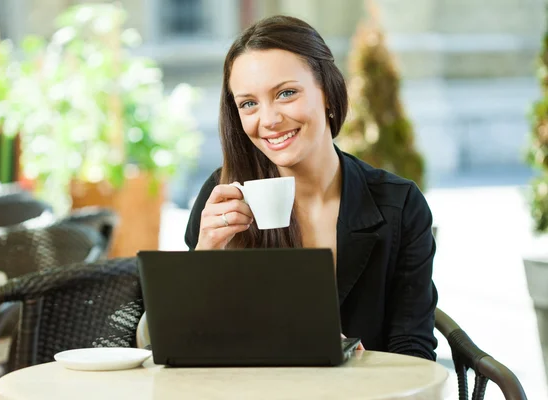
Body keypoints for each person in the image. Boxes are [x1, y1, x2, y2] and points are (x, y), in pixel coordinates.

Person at [184, 15, 438, 361]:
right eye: (248, 104)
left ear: (329, 94)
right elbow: (188, 346)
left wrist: (365, 365)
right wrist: (206, 256)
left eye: (286, 93)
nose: (269, 120)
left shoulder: (398, 204)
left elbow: (414, 351)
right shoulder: (221, 194)